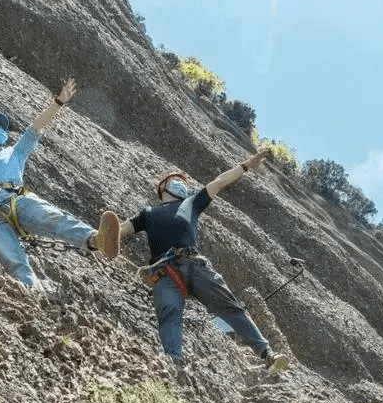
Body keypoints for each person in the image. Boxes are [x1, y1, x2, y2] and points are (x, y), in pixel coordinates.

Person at [113, 150, 289, 373]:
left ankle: (268, 355)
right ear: (162, 187)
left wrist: (246, 166)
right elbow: (120, 231)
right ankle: (174, 368)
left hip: (192, 263)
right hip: (164, 273)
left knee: (231, 307)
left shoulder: (192, 202)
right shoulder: (148, 213)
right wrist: (97, 238)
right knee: (170, 315)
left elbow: (219, 182)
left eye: (183, 181)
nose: (181, 182)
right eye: (175, 179)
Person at [0, 78, 119, 288]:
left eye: (0, 128)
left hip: (17, 199)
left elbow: (35, 127)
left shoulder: (14, 152)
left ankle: (96, 239)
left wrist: (58, 102)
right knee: (15, 262)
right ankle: (31, 292)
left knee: (55, 219)